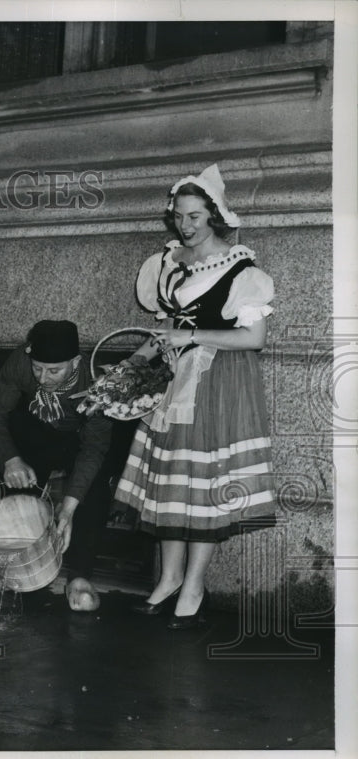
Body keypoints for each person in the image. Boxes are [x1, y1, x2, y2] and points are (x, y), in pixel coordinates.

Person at [114, 164, 277, 628]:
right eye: (180, 216)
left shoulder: (241, 270)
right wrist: (132, 366)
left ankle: (194, 585)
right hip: (171, 380)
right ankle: (168, 578)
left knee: (202, 487)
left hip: (216, 383)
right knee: (171, 484)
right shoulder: (168, 264)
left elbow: (253, 338)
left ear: (215, 216)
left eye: (195, 217)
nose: (185, 226)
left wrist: (194, 337)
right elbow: (165, 330)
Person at [0, 320, 113, 611]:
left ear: (75, 361)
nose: (43, 378)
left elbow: (93, 449)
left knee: (94, 486)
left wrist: (69, 506)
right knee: (14, 475)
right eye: (38, 368)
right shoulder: (20, 362)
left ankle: (79, 577)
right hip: (38, 427)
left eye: (54, 371)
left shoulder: (96, 380)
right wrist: (10, 459)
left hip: (80, 438)